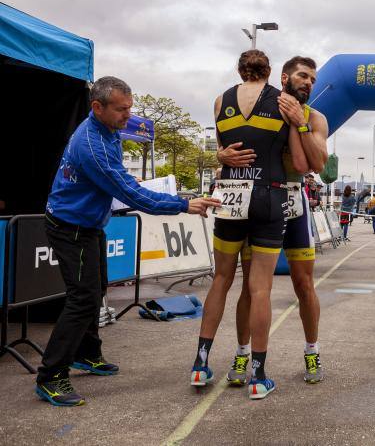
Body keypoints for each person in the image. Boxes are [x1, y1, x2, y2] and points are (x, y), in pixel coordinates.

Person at [36, 76, 220, 407]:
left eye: (130, 107)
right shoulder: (90, 144)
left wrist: (122, 178)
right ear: (97, 107)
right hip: (69, 226)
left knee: (97, 291)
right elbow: (129, 193)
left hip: (88, 224)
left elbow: (117, 178)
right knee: (82, 299)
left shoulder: (109, 131)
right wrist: (183, 204)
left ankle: (87, 354)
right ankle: (50, 376)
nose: (128, 115)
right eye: (122, 109)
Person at [217, 55, 329, 389]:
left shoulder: (316, 116)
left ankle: (312, 351)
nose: (308, 82)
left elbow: (317, 163)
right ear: (284, 77)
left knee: (303, 284)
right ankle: (242, 353)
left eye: (313, 78)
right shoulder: (259, 103)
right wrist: (219, 155)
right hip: (260, 202)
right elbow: (229, 144)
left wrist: (300, 123)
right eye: (302, 76)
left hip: (293, 200)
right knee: (252, 286)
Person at [192, 50, 297, 400]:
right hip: (268, 195)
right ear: (270, 72)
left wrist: (222, 157)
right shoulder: (284, 100)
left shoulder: (221, 100)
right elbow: (296, 156)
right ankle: (258, 374)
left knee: (221, 279)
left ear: (239, 70)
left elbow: (224, 152)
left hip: (230, 194)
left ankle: (200, 363)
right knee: (261, 289)